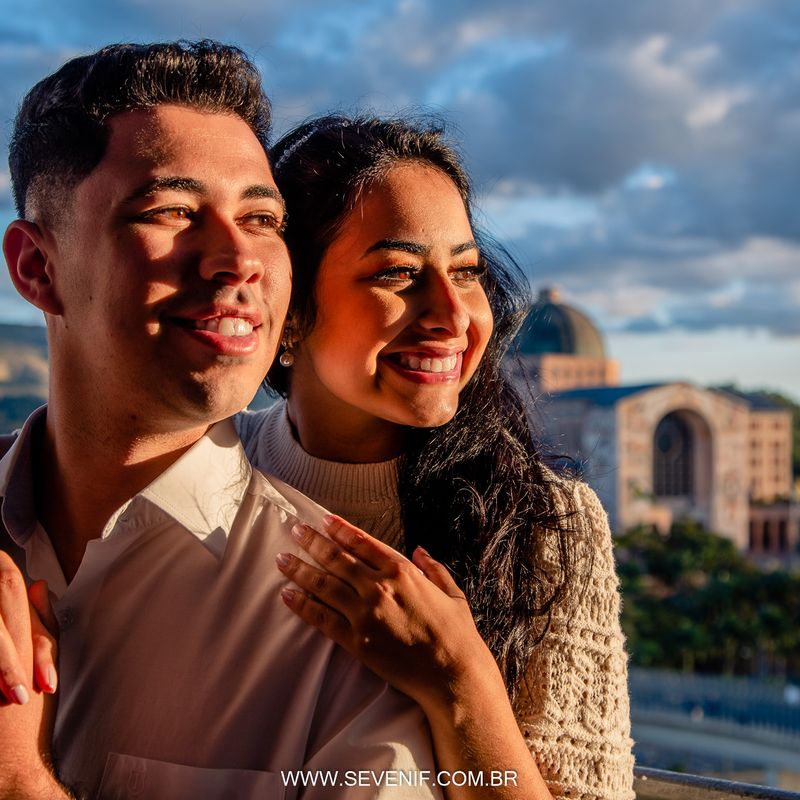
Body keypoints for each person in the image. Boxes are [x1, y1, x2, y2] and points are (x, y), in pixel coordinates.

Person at [0, 43, 442, 799]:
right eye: (171, 211)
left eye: (262, 218)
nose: (239, 260)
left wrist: (17, 781)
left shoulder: (351, 636)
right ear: (38, 269)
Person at [233, 115, 636, 800]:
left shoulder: (543, 524)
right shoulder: (198, 474)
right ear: (289, 308)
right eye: (397, 273)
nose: (452, 313)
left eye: (467, 271)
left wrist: (458, 679)